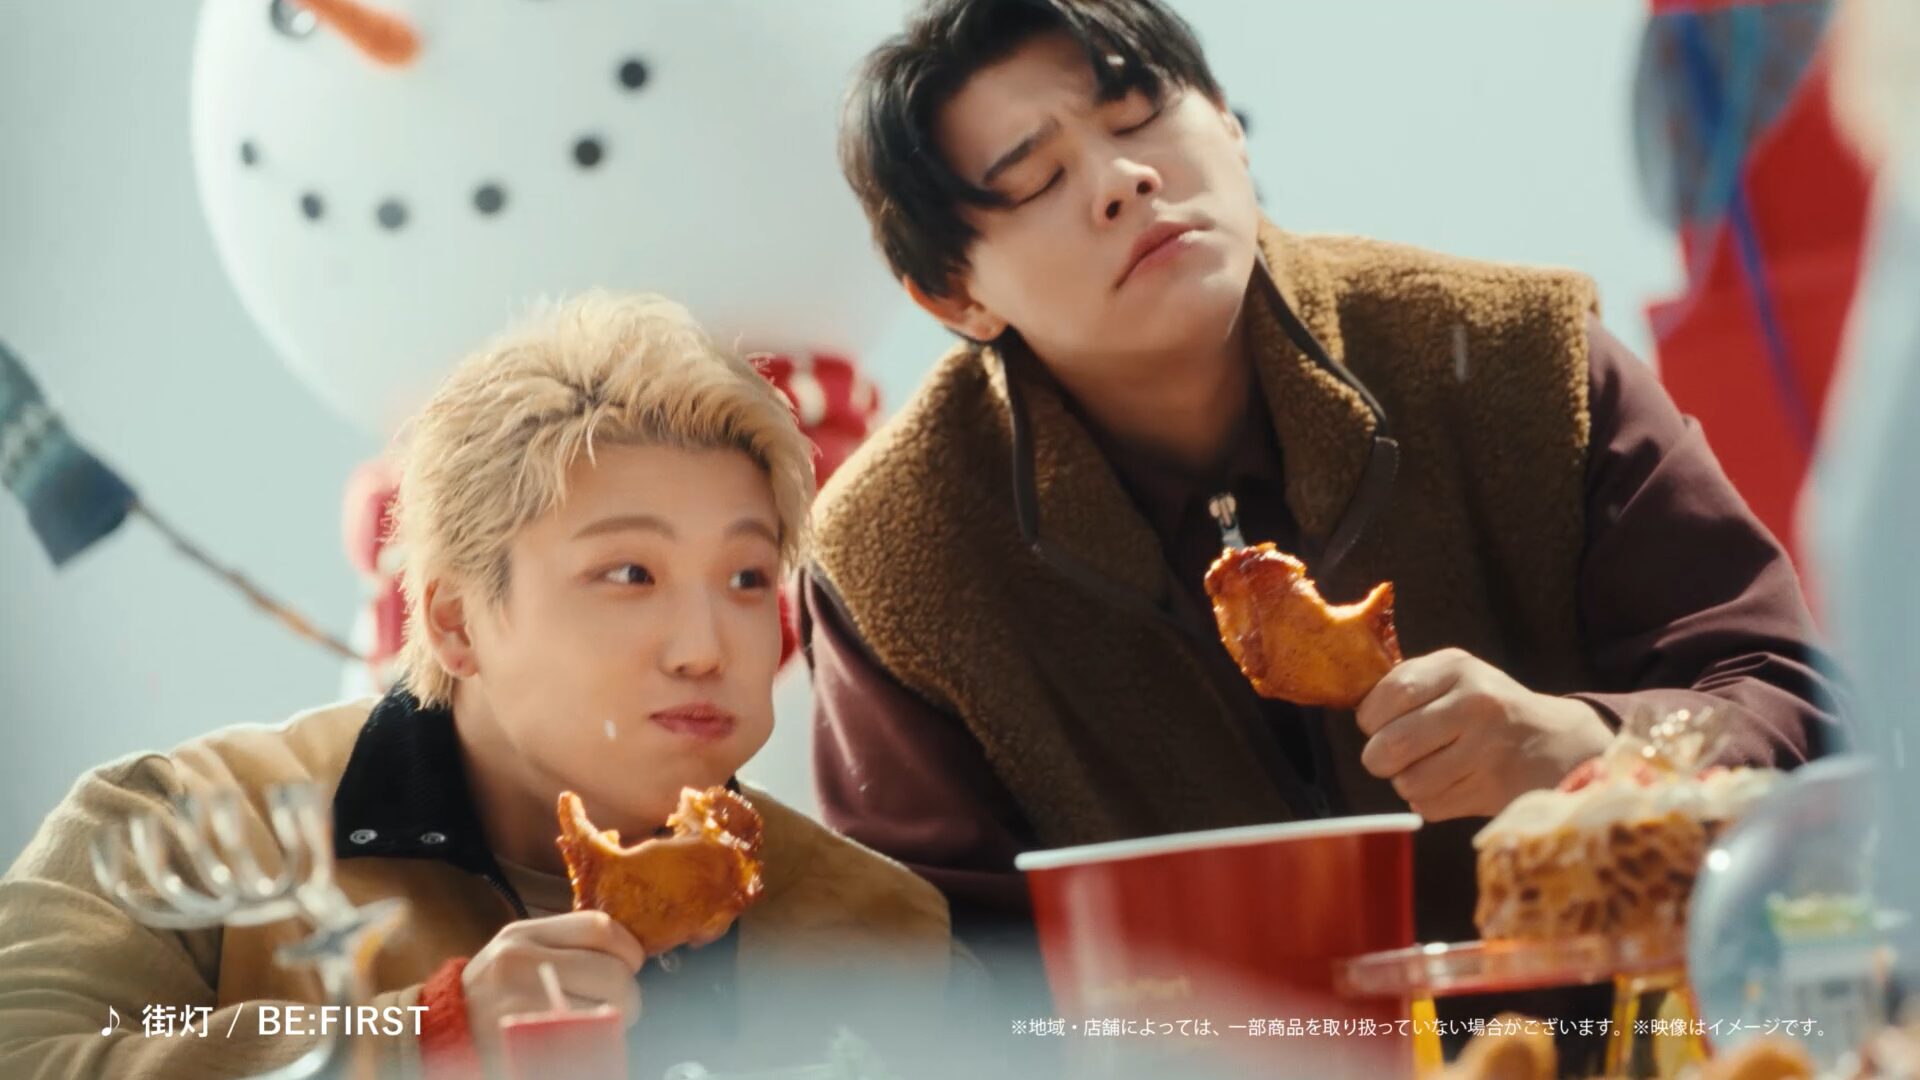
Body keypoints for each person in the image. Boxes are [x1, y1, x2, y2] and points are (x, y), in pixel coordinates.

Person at [805, 0, 1843, 1045]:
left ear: (1227, 120)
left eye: (1138, 115)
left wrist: (1586, 746)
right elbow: (934, 989)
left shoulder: (1523, 360)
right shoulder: (894, 558)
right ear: (953, 294)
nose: (1123, 180)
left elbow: (1793, 701)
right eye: (1034, 178)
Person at [0, 293, 954, 1079]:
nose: (708, 649)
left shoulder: (878, 929)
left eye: (746, 577)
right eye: (630, 573)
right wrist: (424, 1039)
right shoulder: (186, 827)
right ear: (456, 620)